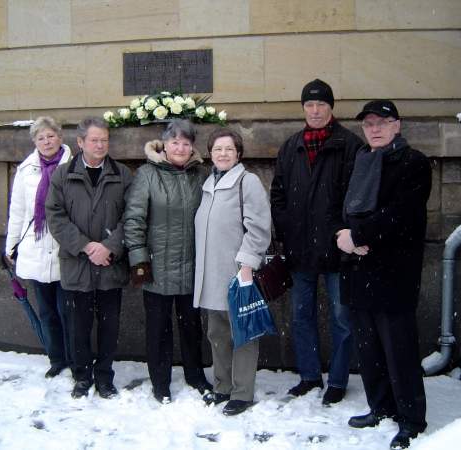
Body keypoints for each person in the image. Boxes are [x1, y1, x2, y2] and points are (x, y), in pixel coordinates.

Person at [337, 100, 431, 450]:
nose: (374, 129)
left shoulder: (414, 163)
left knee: (399, 351)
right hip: (358, 270)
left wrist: (358, 236)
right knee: (369, 348)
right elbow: (340, 207)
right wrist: (341, 237)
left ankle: (411, 418)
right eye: (368, 123)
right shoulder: (359, 160)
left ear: (397, 125)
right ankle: (380, 407)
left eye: (382, 122)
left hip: (393, 274)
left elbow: (402, 214)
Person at [270, 78, 363, 405]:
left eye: (321, 104)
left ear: (331, 107)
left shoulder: (349, 144)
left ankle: (337, 380)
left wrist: (345, 233)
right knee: (301, 315)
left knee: (342, 318)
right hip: (300, 249)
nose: (314, 110)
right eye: (309, 105)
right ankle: (309, 376)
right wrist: (286, 229)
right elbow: (278, 194)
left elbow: (357, 197)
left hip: (337, 249)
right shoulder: (291, 145)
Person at [123, 119, 212, 403]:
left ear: (192, 147)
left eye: (186, 143)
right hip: (157, 266)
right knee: (158, 329)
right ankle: (160, 382)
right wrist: (138, 259)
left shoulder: (201, 175)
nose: (180, 148)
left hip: (191, 265)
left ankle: (195, 375)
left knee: (191, 327)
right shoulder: (148, 174)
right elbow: (134, 218)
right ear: (164, 144)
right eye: (175, 142)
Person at [45, 116, 132, 399]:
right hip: (77, 266)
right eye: (94, 140)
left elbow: (131, 217)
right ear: (80, 142)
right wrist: (85, 246)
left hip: (110, 265)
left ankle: (105, 376)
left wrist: (109, 246)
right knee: (78, 326)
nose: (100, 145)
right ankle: (82, 376)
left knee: (109, 326)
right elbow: (55, 217)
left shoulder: (122, 174)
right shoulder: (62, 175)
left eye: (104, 140)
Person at [194, 128, 271, 416]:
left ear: (238, 153)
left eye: (228, 149)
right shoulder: (209, 183)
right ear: (210, 154)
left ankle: (242, 392)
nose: (223, 154)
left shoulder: (247, 181)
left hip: (238, 273)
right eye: (217, 149)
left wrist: (248, 264)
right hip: (212, 274)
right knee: (218, 332)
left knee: (243, 334)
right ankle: (222, 386)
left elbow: (259, 227)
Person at [5, 116, 72, 379]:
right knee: (47, 311)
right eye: (41, 137)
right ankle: (56, 358)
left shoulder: (73, 165)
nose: (46, 141)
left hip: (64, 249)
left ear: (60, 137)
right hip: (35, 248)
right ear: (35, 142)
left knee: (68, 310)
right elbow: (18, 211)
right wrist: (10, 246)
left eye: (50, 136)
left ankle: (76, 357)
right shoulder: (26, 170)